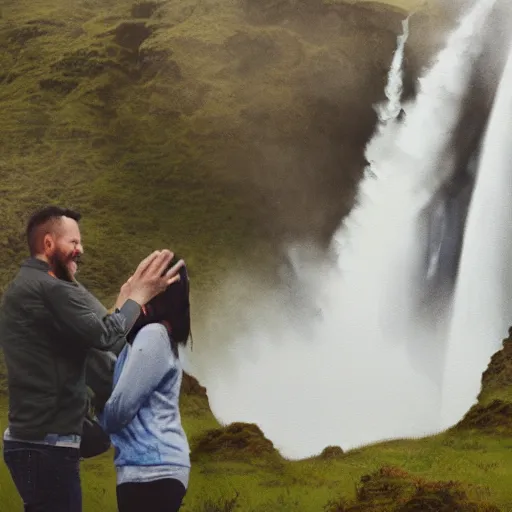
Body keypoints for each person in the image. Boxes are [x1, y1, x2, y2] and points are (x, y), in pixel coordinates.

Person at [0, 205, 184, 512]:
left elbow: (95, 340)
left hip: (25, 441)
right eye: (73, 242)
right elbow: (106, 338)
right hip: (50, 445)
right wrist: (138, 297)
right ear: (48, 244)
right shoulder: (52, 289)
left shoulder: (25, 287)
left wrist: (123, 303)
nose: (80, 249)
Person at [100, 261, 191, 512]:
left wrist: (92, 425)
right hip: (148, 467)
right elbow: (104, 349)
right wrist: (122, 302)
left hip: (151, 469)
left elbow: (120, 408)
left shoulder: (153, 335)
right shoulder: (151, 336)